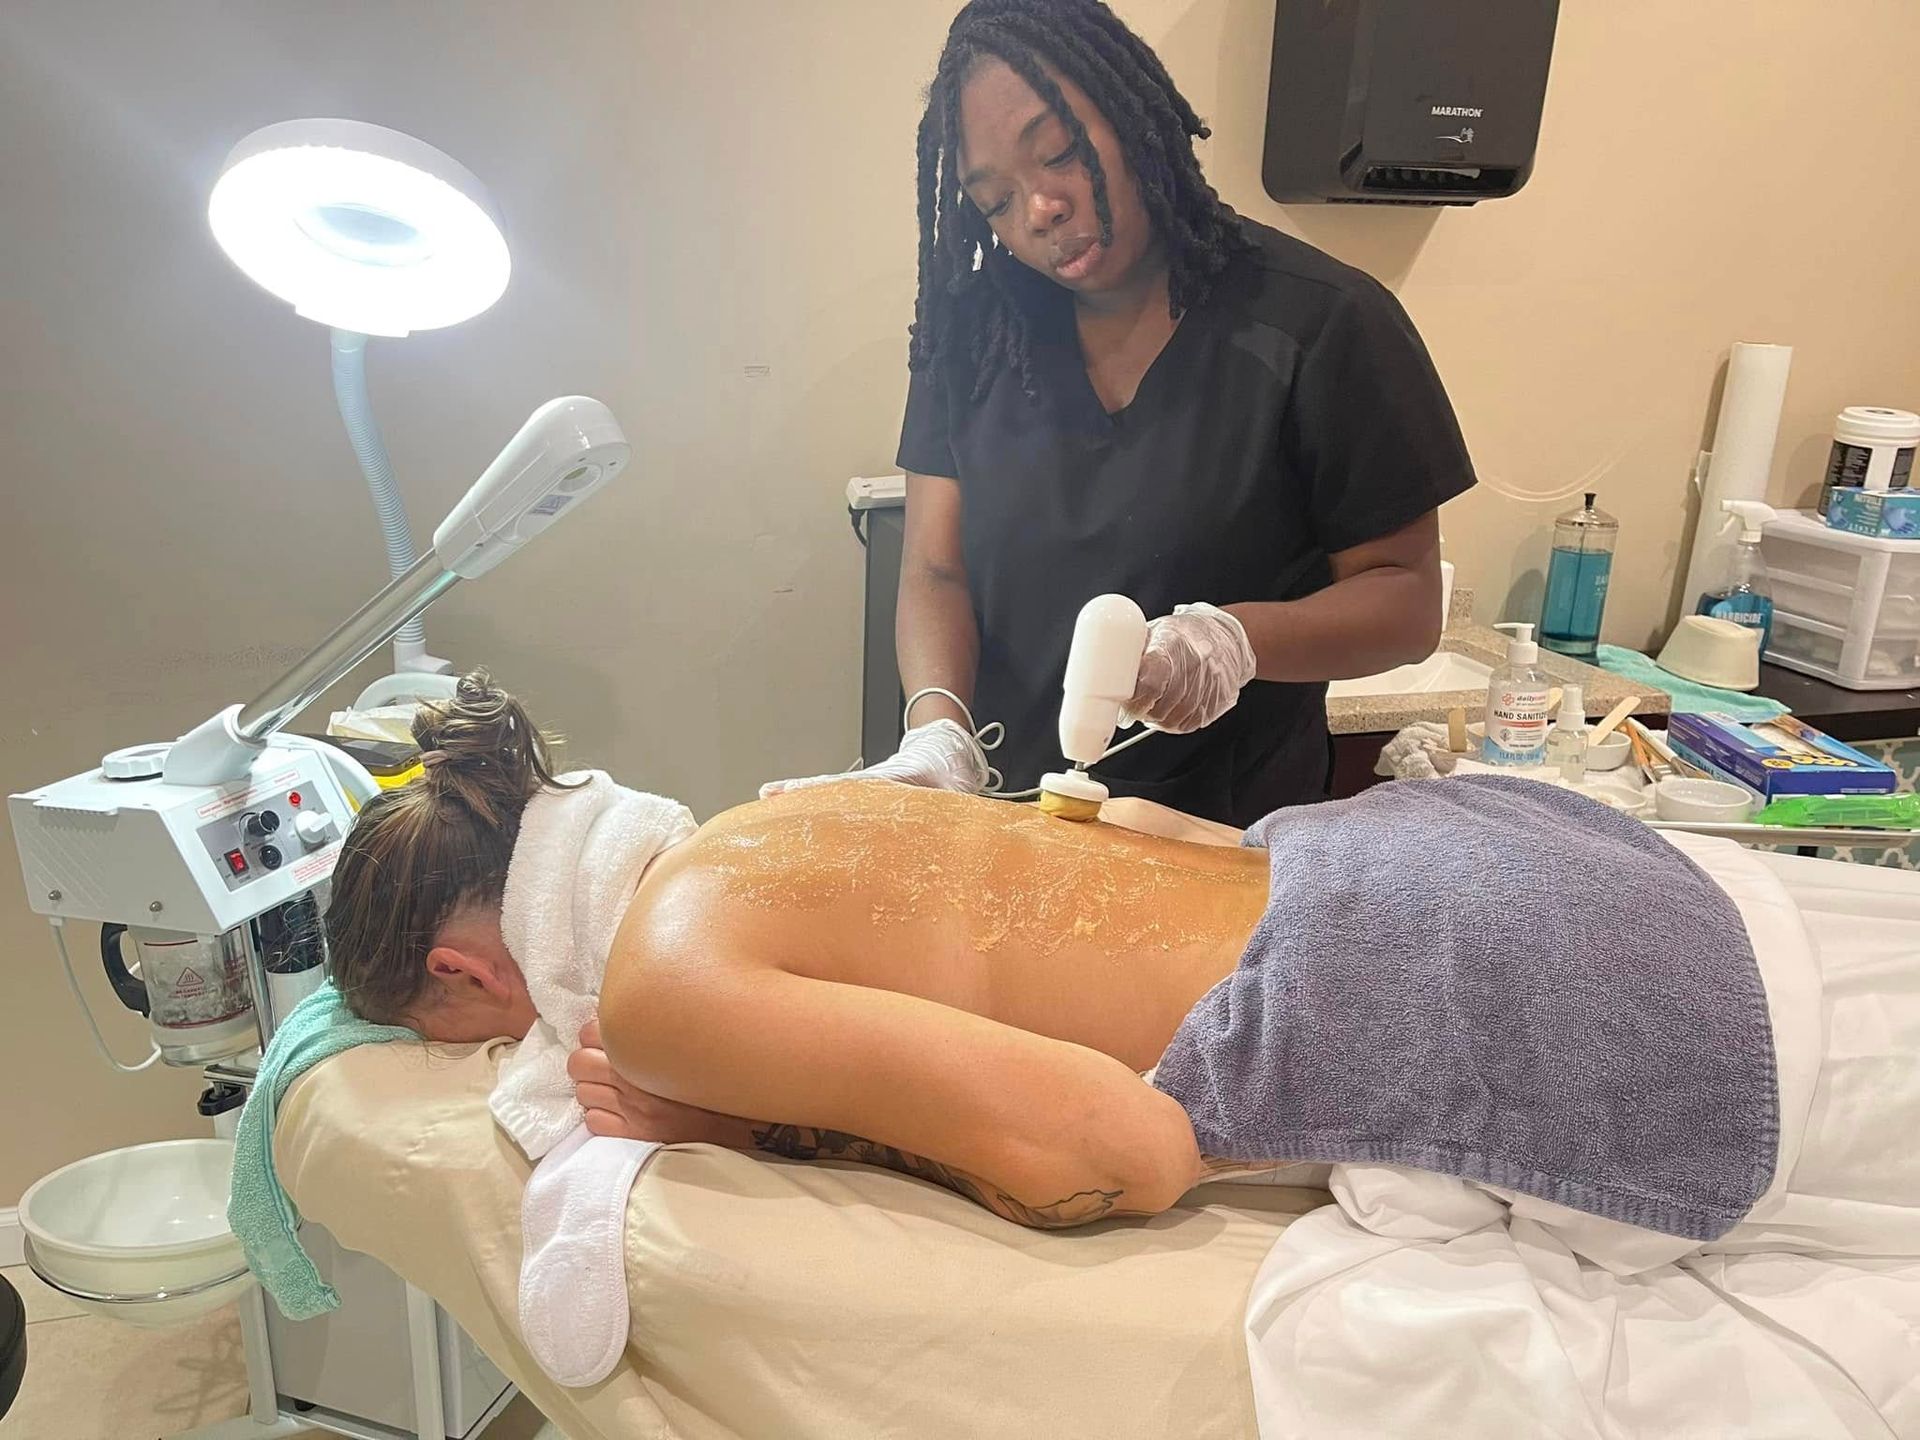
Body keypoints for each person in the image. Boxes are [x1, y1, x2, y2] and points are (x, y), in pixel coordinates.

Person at [325, 678, 1809, 1239]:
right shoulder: (771, 816)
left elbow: (1126, 1158)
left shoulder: (657, 990)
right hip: (1464, 851)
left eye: (442, 1035)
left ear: (463, 976)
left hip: (1465, 984)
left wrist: (737, 1126)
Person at [765, 0, 1476, 827]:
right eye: (995, 202)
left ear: (1134, 110)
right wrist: (937, 730)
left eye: (1059, 153)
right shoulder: (977, 332)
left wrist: (1235, 642)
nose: (1039, 209)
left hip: (1224, 836)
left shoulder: (1322, 325)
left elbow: (1403, 600)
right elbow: (935, 569)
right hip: (1006, 819)